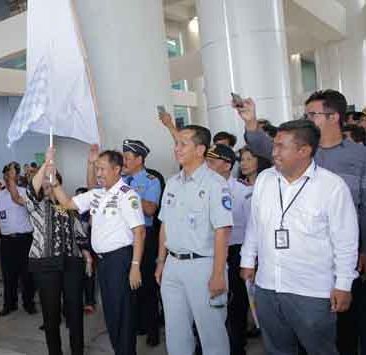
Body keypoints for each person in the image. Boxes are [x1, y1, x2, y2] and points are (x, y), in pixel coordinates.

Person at [235, 90, 366, 354]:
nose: (274, 152)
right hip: (270, 284)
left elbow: (345, 238)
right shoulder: (267, 179)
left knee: (329, 345)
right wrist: (248, 260)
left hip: (314, 287)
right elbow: (256, 225)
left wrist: (344, 282)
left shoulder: (335, 182)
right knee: (278, 348)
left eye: (312, 114)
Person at [51, 146, 146, 355]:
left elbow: (139, 232)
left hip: (120, 260)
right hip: (104, 262)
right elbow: (66, 203)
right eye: (97, 169)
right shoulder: (96, 194)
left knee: (122, 315)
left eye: (103, 169)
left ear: (117, 169)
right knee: (112, 314)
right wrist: (55, 183)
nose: (99, 173)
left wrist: (135, 266)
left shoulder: (127, 195)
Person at [154, 125, 233, 355]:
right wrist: (161, 262)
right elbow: (164, 224)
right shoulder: (172, 183)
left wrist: (218, 274)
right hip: (173, 266)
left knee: (212, 335)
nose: (176, 148)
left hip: (204, 266)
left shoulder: (215, 184)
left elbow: (222, 231)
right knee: (176, 333)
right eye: (176, 143)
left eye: (183, 144)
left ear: (200, 150)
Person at [22, 150, 91, 355]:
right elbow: (30, 190)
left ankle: (77, 351)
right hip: (45, 264)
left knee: (74, 312)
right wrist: (46, 164)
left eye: (51, 180)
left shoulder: (70, 205)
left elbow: (80, 234)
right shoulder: (37, 206)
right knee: (51, 314)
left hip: (72, 263)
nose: (47, 184)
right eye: (44, 181)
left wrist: (87, 256)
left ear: (58, 183)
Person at [205, 144, 252, 355]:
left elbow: (253, 227)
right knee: (209, 301)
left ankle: (236, 345)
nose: (207, 166)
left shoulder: (243, 191)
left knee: (236, 302)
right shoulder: (203, 188)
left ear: (227, 165)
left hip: (235, 252)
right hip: (209, 252)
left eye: (212, 162)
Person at [117, 139, 162, 347]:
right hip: (124, 237)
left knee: (148, 286)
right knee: (130, 285)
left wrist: (129, 193)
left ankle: (153, 329)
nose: (124, 161)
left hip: (146, 235)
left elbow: (151, 209)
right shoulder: (120, 179)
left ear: (139, 159)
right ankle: (137, 325)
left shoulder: (151, 180)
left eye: (127, 157)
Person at [0, 162, 37, 316]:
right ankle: (9, 304)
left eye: (12, 174)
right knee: (8, 275)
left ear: (17, 176)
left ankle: (29, 303)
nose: (9, 176)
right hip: (7, 242)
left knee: (27, 274)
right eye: (7, 173)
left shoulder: (24, 193)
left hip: (24, 240)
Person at [75, 187, 97, 315]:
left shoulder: (92, 213)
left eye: (81, 197)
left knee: (89, 275)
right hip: (75, 250)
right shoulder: (72, 212)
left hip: (90, 249)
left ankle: (89, 302)